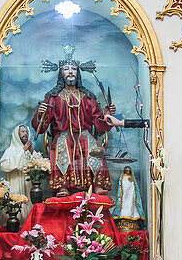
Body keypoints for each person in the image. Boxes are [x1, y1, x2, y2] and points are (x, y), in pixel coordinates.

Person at [31, 44, 123, 197]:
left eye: (73, 69)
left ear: (78, 73)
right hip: (63, 135)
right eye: (66, 69)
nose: (70, 72)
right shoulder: (53, 97)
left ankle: (97, 185)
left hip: (84, 135)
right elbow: (41, 128)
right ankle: (62, 186)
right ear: (61, 73)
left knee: (93, 147)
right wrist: (41, 114)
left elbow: (99, 124)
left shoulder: (87, 97)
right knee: (62, 145)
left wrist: (106, 114)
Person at [0, 124, 37, 221]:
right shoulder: (11, 150)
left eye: (27, 132)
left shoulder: (30, 151)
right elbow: (4, 165)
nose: (25, 134)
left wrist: (31, 152)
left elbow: (37, 164)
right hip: (15, 181)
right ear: (17, 134)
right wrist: (22, 151)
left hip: (27, 184)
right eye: (23, 132)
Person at [112, 164, 146, 231]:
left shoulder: (132, 179)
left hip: (131, 196)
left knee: (131, 207)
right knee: (124, 207)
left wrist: (131, 186)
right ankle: (123, 221)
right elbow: (122, 187)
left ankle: (132, 219)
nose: (127, 171)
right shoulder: (123, 178)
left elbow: (134, 187)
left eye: (128, 170)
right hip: (124, 197)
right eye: (126, 170)